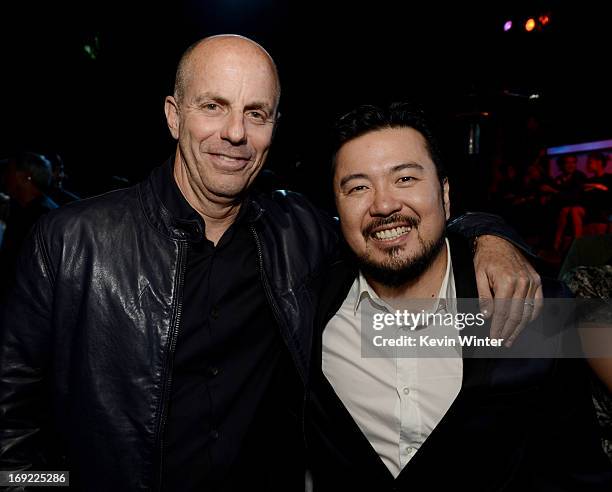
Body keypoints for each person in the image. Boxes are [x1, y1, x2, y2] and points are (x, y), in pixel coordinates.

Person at [0, 36, 541, 491]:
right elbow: (10, 422)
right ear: (173, 115)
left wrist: (487, 234)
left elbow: (389, 229)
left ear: (273, 126)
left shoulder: (297, 233)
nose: (235, 132)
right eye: (212, 106)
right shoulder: (69, 242)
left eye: (255, 113)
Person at [305, 102, 612, 490]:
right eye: (358, 187)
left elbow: (578, 470)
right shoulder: (305, 307)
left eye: (405, 179)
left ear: (445, 194)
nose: (383, 205)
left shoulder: (537, 307)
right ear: (337, 208)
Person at [0, 152, 58, 296]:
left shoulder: (42, 218)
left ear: (25, 177)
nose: (4, 177)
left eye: (9, 172)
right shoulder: (24, 211)